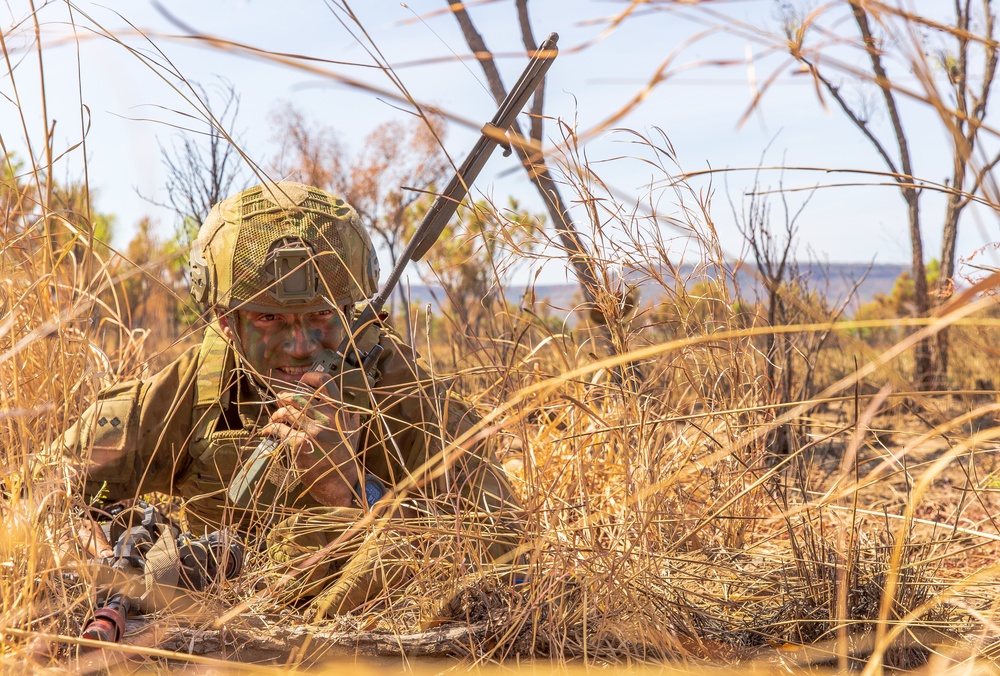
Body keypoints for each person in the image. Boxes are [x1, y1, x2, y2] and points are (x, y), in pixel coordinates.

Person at [56, 181, 522, 617]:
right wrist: (99, 554)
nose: (299, 345)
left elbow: (510, 552)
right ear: (226, 321)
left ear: (352, 310)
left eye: (320, 314)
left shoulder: (399, 388)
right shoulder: (201, 381)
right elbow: (44, 482)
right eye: (268, 319)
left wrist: (354, 492)